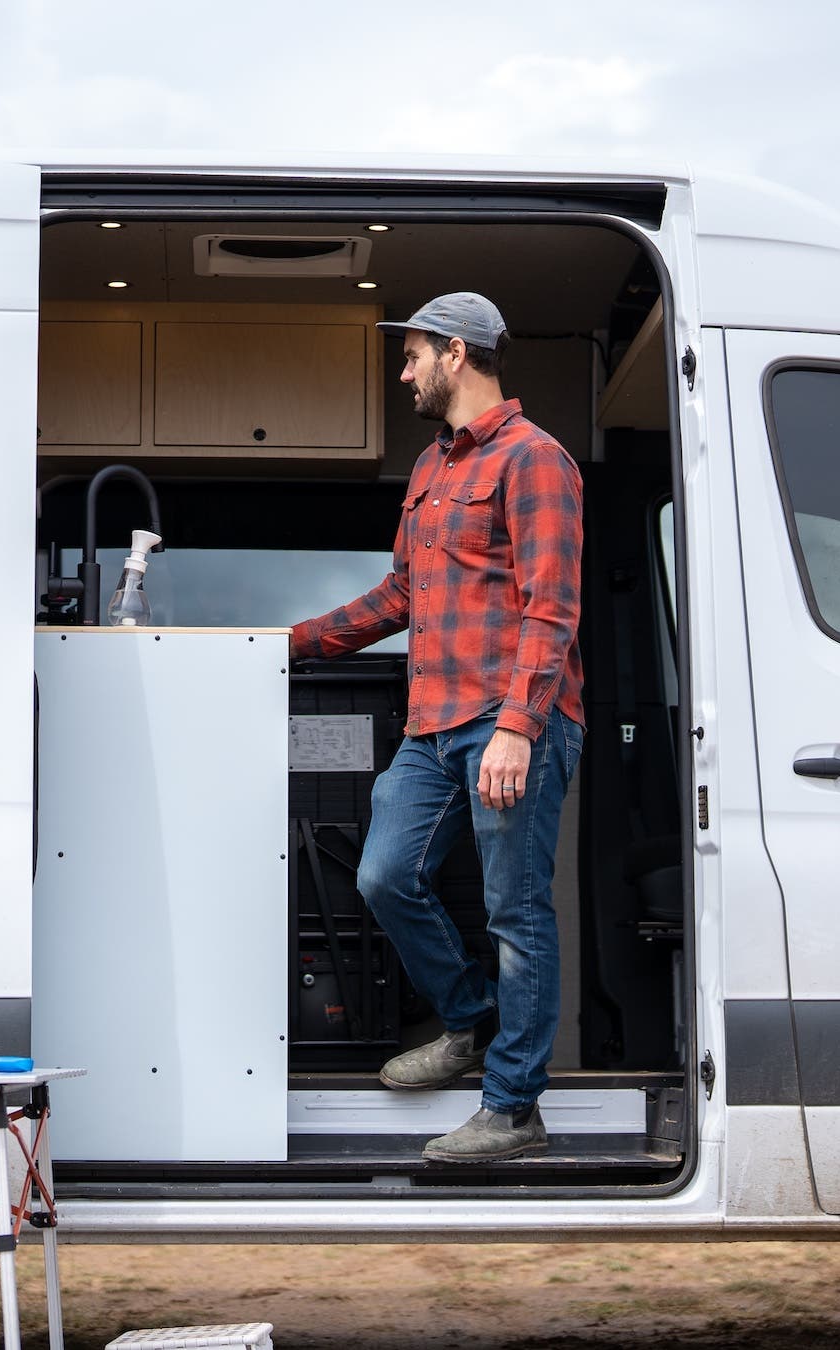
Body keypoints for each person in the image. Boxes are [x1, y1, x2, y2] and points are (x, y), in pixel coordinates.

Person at [289, 292, 585, 1164]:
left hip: (509, 720)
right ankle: (469, 1020)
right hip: (433, 725)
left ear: (457, 354)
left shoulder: (536, 461)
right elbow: (401, 596)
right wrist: (283, 644)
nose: (404, 369)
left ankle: (513, 1107)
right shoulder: (429, 471)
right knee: (384, 877)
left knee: (516, 912)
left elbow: (553, 605)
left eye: (413, 353)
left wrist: (520, 727)